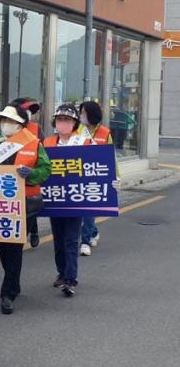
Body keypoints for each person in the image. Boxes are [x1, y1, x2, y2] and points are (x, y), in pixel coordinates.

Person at [0, 104, 51, 314]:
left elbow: (46, 169)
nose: (6, 124)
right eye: (4, 120)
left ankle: (8, 292)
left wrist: (32, 173)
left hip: (24, 203)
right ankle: (13, 283)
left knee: (15, 247)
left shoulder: (33, 142)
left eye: (10, 121)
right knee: (4, 246)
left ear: (21, 124)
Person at [44, 104, 91, 297]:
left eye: (67, 120)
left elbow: (97, 166)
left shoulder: (85, 142)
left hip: (75, 197)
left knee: (71, 239)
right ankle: (62, 272)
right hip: (54, 197)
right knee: (58, 239)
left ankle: (71, 278)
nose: (63, 123)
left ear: (75, 123)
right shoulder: (47, 143)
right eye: (60, 119)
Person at [77, 101, 114, 257]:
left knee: (89, 210)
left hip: (97, 177)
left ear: (92, 114)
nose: (81, 116)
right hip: (79, 176)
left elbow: (111, 157)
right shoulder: (77, 131)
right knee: (81, 211)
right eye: (81, 112)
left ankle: (85, 242)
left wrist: (115, 177)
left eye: (84, 113)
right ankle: (94, 232)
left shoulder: (105, 133)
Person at [11, 97, 44, 248]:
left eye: (31, 111)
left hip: (30, 179)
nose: (29, 113)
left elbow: (44, 153)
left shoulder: (36, 129)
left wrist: (34, 170)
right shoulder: (7, 131)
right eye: (26, 110)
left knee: (30, 207)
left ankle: (34, 231)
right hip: (11, 182)